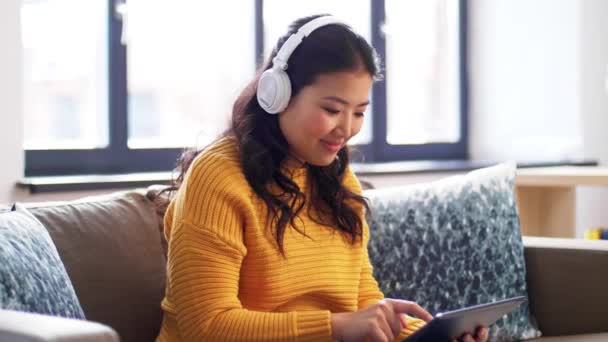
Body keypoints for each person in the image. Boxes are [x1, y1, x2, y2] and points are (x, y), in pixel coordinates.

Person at [155, 14, 489, 342]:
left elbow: (362, 302)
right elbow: (208, 327)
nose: (347, 129)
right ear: (278, 94)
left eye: (359, 112)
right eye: (332, 110)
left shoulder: (338, 179)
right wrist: (337, 327)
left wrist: (435, 336)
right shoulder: (218, 176)